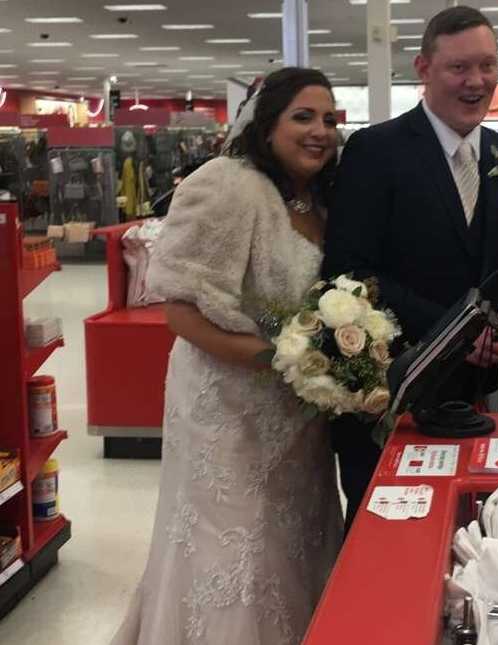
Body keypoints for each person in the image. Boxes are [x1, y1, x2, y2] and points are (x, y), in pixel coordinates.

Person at [110, 67, 343, 645]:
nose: (321, 131)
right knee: (235, 549)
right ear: (266, 126)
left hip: (297, 417)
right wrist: (284, 359)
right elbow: (181, 314)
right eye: (304, 117)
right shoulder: (227, 184)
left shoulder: (319, 199)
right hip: (226, 414)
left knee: (294, 540)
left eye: (331, 119)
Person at [323, 5, 498, 531]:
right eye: (459, 68)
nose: (477, 81)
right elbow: (351, 272)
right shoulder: (375, 152)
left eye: (488, 66)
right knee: (382, 527)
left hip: (472, 385)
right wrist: (455, 332)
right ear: (423, 68)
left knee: (460, 522)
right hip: (385, 385)